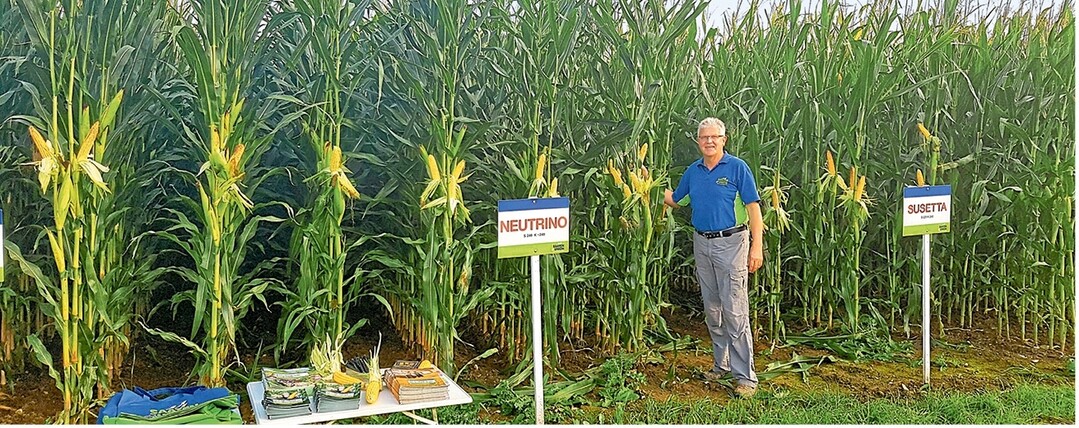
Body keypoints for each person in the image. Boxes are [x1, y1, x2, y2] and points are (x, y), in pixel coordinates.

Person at [664, 117, 763, 398]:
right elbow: (678, 199)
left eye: (714, 137)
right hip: (702, 243)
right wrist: (651, 187)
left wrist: (757, 247)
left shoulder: (737, 168)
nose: (709, 141)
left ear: (724, 139)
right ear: (698, 141)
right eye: (703, 137)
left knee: (734, 309)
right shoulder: (693, 171)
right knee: (713, 309)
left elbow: (754, 209)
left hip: (732, 243)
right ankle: (722, 364)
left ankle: (746, 378)